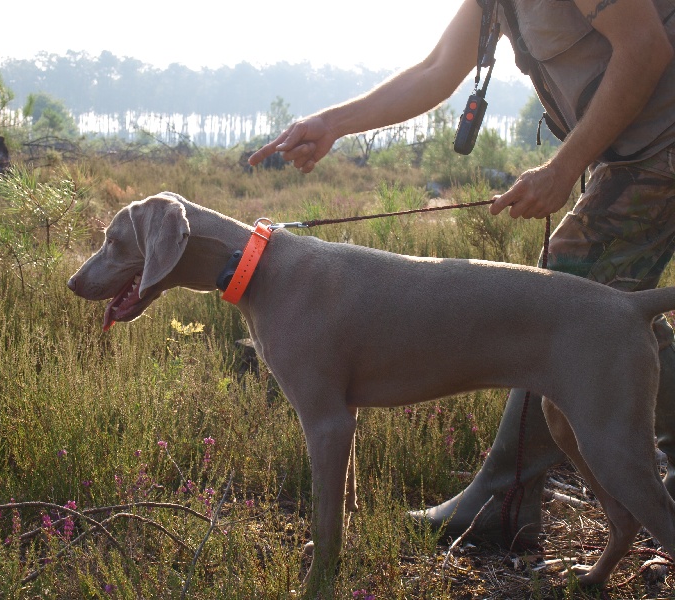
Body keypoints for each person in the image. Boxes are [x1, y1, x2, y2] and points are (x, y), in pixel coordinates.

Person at [249, 0, 675, 546]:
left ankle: (504, 498)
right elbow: (436, 70)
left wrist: (563, 167)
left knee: (573, 292)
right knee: (617, 315)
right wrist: (331, 124)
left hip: (659, 148)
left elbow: (645, 49)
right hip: (631, 152)